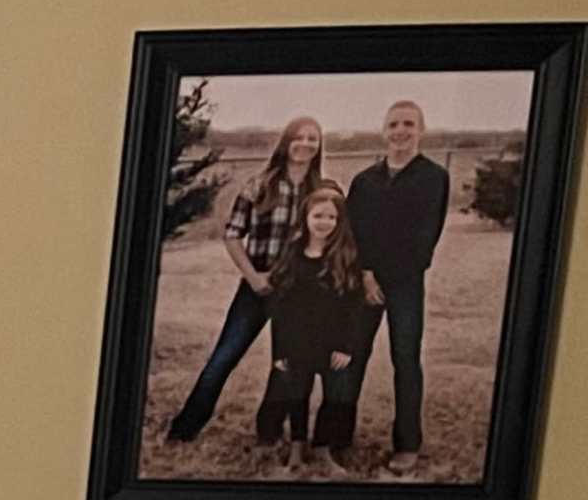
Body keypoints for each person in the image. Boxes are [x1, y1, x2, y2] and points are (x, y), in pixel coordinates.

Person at [164, 115, 327, 442]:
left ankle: (268, 431)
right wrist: (253, 277)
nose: (305, 144)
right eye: (299, 137)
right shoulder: (260, 184)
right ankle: (185, 429)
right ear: (286, 142)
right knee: (225, 356)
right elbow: (233, 234)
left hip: (296, 291)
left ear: (319, 146)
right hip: (257, 286)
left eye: (313, 138)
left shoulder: (320, 191)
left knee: (286, 364)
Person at [344, 98, 450, 473]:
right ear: (383, 131)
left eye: (408, 124)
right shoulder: (364, 180)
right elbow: (352, 233)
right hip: (364, 281)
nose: (400, 131)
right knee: (351, 355)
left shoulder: (434, 177)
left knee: (405, 358)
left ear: (421, 130)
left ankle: (407, 444)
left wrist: (389, 277)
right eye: (393, 125)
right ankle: (340, 436)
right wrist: (366, 275)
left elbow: (426, 236)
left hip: (406, 283)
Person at [254, 183, 380, 469]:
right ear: (305, 218)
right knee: (296, 393)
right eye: (318, 216)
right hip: (298, 342)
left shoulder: (346, 257)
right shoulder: (291, 256)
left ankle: (323, 449)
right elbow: (279, 310)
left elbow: (353, 308)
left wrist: (346, 346)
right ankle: (297, 447)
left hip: (333, 343)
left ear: (339, 221)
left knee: (338, 395)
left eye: (331, 217)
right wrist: (279, 352)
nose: (324, 223)